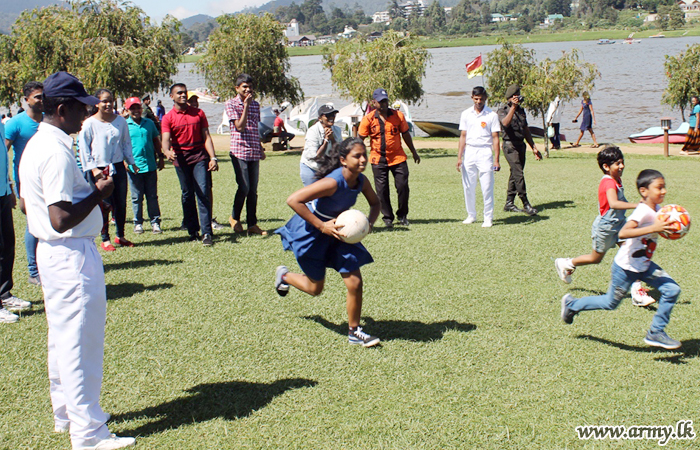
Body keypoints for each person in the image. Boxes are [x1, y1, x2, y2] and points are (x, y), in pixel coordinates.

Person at [19, 71, 135, 448]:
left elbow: (30, 205)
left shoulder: (38, 144)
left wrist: (88, 195)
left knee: (62, 339)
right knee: (80, 344)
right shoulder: (55, 150)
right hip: (70, 253)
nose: (86, 115)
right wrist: (99, 193)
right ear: (62, 109)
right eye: (81, 108)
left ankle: (67, 414)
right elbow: (60, 217)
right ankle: (88, 432)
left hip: (54, 252)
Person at [274, 137, 381, 347]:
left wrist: (369, 223)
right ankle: (284, 276)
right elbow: (293, 200)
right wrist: (322, 226)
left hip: (340, 233)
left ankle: (354, 331)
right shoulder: (332, 182)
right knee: (315, 289)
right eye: (357, 156)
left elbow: (375, 203)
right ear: (343, 160)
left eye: (364, 155)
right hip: (312, 233)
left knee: (355, 282)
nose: (363, 160)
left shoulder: (361, 181)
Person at [561, 169, 682, 350]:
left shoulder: (658, 210)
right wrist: (654, 228)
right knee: (610, 303)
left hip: (644, 266)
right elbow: (624, 233)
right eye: (659, 187)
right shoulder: (642, 211)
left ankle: (656, 331)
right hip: (625, 268)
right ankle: (572, 305)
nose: (664, 191)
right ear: (644, 191)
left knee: (672, 290)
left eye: (664, 187)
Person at [554, 146, 655, 306]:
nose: (622, 166)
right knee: (595, 258)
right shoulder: (608, 182)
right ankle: (566, 263)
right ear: (606, 167)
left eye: (622, 162)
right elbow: (614, 203)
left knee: (632, 252)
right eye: (617, 164)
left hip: (619, 225)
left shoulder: (616, 179)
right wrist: (637, 205)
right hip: (606, 228)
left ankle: (637, 293)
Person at [78, 88, 136, 252]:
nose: (108, 104)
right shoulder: (89, 123)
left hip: (117, 166)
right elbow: (84, 149)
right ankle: (105, 239)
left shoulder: (120, 121)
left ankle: (120, 236)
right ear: (97, 103)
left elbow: (126, 143)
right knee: (104, 204)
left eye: (111, 100)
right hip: (99, 168)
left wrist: (131, 162)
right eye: (104, 101)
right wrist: (94, 170)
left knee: (120, 202)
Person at [161, 82, 219, 246]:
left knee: (203, 192)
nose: (183, 95)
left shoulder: (198, 113)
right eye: (179, 93)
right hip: (181, 159)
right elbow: (165, 139)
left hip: (199, 157)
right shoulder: (168, 118)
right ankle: (192, 230)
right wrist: (167, 151)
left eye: (184, 92)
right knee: (187, 194)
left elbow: (206, 136)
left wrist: (213, 157)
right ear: (172, 96)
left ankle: (206, 232)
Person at [358, 88, 420, 228]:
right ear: (374, 103)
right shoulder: (368, 119)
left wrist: (414, 152)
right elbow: (359, 140)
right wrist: (357, 157)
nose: (384, 104)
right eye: (380, 102)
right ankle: (387, 217)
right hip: (378, 159)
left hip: (398, 158)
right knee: (382, 190)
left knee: (403, 187)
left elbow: (406, 135)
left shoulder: (398, 116)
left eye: (385, 101)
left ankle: (402, 215)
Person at [4, 81, 43, 286]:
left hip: (48, 179)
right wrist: (9, 184)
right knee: (33, 222)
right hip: (26, 181)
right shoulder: (15, 123)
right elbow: (3, 153)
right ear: (26, 100)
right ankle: (33, 271)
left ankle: (47, 265)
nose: (42, 100)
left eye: (43, 96)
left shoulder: (49, 120)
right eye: (37, 97)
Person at [225, 73, 267, 236]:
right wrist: (246, 106)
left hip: (253, 151)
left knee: (253, 190)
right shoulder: (231, 104)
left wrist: (260, 148)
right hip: (239, 151)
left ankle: (252, 224)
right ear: (237, 88)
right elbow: (240, 127)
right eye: (244, 87)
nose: (248, 89)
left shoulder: (256, 105)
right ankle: (234, 218)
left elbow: (254, 128)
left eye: (250, 87)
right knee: (244, 187)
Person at [0, 112, 31, 324]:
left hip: (2, 191)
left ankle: (4, 294)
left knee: (7, 244)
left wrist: (9, 187)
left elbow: (3, 156)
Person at [456, 86, 501, 228]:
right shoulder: (466, 114)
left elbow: (495, 138)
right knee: (468, 186)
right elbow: (463, 136)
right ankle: (471, 215)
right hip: (469, 151)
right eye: (476, 99)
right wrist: (459, 157)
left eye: (481, 99)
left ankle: (488, 217)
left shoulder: (492, 115)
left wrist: (496, 160)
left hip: (485, 152)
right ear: (472, 98)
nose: (478, 102)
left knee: (487, 186)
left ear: (485, 98)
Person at [497, 84, 541, 216]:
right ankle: (525, 203)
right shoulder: (503, 110)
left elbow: (526, 129)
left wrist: (533, 147)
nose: (518, 98)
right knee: (519, 174)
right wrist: (513, 107)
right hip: (510, 146)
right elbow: (505, 123)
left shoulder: (521, 111)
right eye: (515, 96)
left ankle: (509, 203)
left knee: (515, 174)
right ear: (510, 97)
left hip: (521, 145)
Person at [124, 97, 164, 235]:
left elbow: (155, 140)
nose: (136, 110)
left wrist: (161, 156)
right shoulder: (125, 125)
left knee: (152, 196)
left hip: (150, 165)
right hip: (133, 167)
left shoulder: (149, 123)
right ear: (127, 110)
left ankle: (155, 222)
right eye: (132, 108)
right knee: (136, 197)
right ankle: (138, 223)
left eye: (138, 107)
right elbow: (121, 146)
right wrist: (125, 162)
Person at [187, 93, 225, 231]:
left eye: (195, 101)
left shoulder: (200, 115)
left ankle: (208, 219)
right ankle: (189, 221)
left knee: (206, 189)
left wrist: (212, 157)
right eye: (191, 101)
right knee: (188, 191)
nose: (194, 103)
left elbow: (207, 136)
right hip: (186, 159)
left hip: (202, 157)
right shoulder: (181, 117)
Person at [301, 104, 342, 186]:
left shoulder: (337, 130)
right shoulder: (313, 131)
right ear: (320, 118)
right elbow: (316, 156)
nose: (332, 117)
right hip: (311, 167)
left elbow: (340, 152)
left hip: (328, 167)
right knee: (312, 193)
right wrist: (326, 140)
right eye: (328, 115)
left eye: (333, 115)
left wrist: (332, 139)